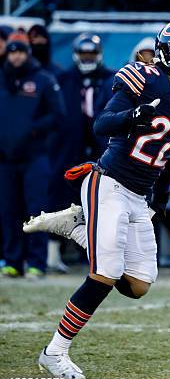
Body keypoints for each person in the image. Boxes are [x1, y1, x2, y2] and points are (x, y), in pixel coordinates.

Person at [23, 19, 170, 379]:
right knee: (106, 272)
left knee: (139, 284)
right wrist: (135, 115)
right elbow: (102, 124)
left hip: (140, 193)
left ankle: (78, 230)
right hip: (108, 182)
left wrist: (162, 194)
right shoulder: (143, 78)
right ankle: (55, 351)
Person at [46, 33, 115, 272]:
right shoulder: (63, 79)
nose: (87, 58)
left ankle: (101, 256)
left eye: (91, 53)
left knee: (102, 200)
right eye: (84, 53)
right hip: (68, 147)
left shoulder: (111, 79)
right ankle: (53, 252)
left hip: (102, 147)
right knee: (61, 197)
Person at [0, 39, 64, 278]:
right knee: (8, 209)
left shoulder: (43, 80)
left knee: (35, 210)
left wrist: (32, 129)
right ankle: (12, 261)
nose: (15, 57)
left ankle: (37, 262)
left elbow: (59, 115)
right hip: (5, 158)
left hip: (34, 156)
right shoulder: (2, 78)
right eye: (12, 53)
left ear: (28, 54)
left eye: (20, 53)